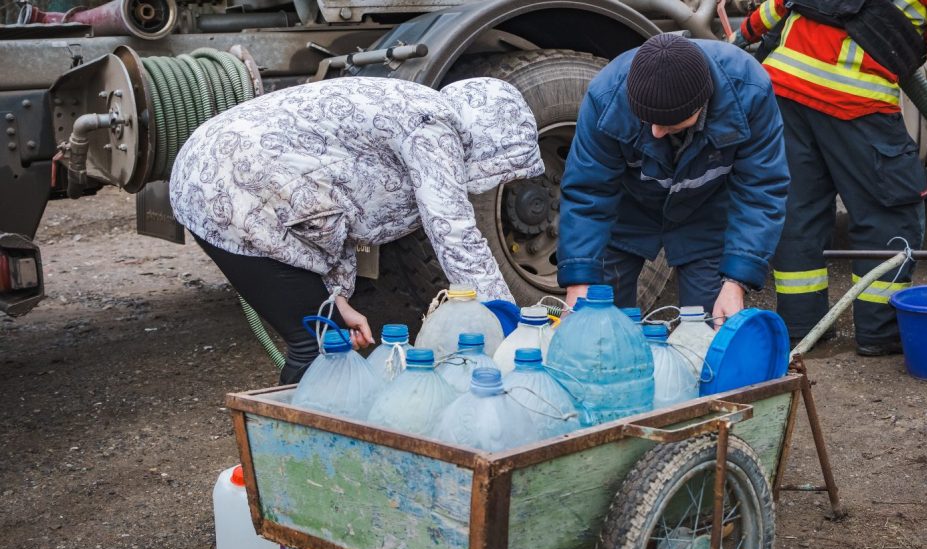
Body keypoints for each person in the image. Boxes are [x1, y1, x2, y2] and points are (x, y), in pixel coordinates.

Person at [169, 77, 543, 383]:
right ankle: (297, 455)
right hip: (231, 185)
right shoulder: (434, 127)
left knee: (326, 336)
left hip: (217, 177)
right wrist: (505, 318)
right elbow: (454, 232)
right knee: (316, 349)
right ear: (491, 135)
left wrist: (337, 298)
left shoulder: (415, 108)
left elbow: (337, 203)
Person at [733, 0, 927, 355]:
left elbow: (781, 3)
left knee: (797, 214)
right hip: (856, 100)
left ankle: (801, 324)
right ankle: (880, 329)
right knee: (889, 214)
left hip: (783, 91)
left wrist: (744, 32)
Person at [557, 33, 789, 323]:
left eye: (669, 124)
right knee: (599, 324)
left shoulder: (748, 92)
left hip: (705, 212)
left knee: (706, 328)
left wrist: (736, 282)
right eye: (647, 119)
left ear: (701, 104)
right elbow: (587, 192)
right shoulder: (607, 96)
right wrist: (579, 279)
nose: (655, 132)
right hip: (627, 211)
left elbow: (761, 189)